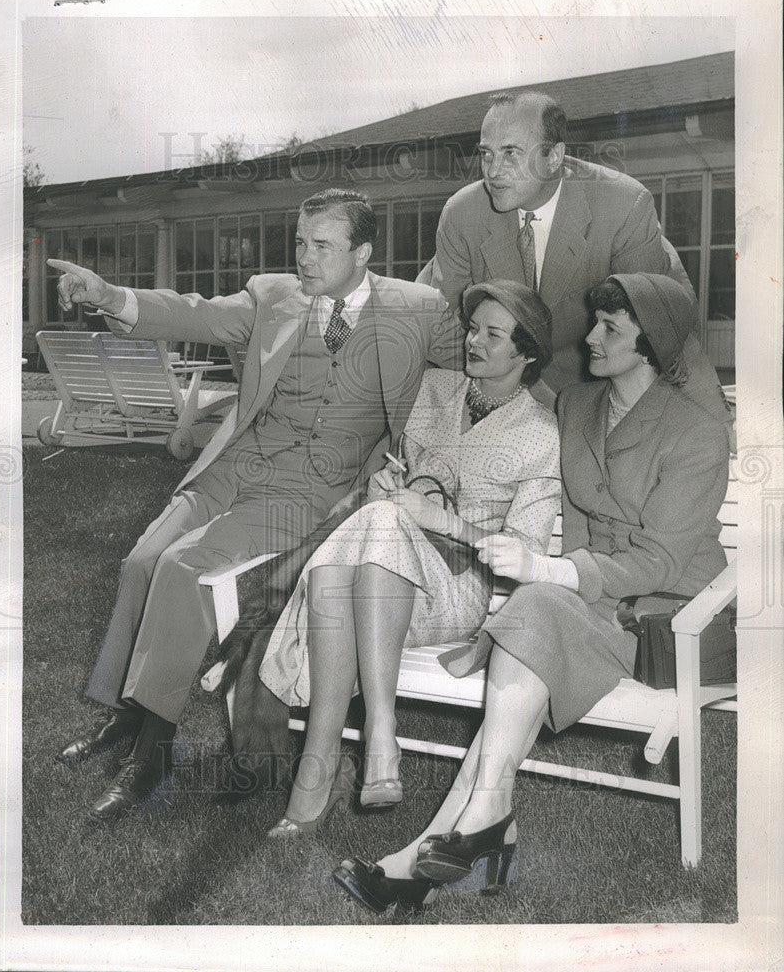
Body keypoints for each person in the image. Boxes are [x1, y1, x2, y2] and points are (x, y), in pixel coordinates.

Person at [49, 188, 466, 822]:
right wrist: (111, 297)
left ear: (364, 252)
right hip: (238, 464)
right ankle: (125, 714)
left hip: (311, 488)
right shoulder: (274, 297)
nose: (304, 257)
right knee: (142, 560)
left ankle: (153, 751)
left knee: (184, 569)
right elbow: (191, 312)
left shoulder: (417, 309)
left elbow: (497, 352)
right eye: (300, 241)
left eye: (322, 245)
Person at [333, 272, 730, 914]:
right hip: (581, 607)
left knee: (536, 605)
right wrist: (428, 482)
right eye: (595, 320)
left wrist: (551, 571)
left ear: (652, 342)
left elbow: (661, 559)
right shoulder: (577, 406)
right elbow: (488, 420)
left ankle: (453, 838)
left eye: (610, 327)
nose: (591, 336)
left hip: (669, 620)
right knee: (534, 609)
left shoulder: (696, 432)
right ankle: (488, 818)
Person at [255, 280, 560, 835]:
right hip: (383, 570)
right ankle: (372, 743)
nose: (474, 341)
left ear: (527, 353)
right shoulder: (436, 390)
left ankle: (335, 760)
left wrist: (440, 520)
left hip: (458, 586)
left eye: (493, 335)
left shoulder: (540, 432)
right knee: (377, 524)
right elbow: (404, 470)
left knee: (369, 540)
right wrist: (389, 484)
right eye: (472, 328)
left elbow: (527, 551)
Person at [418, 89, 731, 426]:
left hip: (599, 388)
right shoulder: (462, 213)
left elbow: (655, 334)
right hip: (500, 386)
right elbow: (443, 330)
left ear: (554, 157)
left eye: (511, 153)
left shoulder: (623, 204)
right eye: (486, 154)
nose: (493, 171)